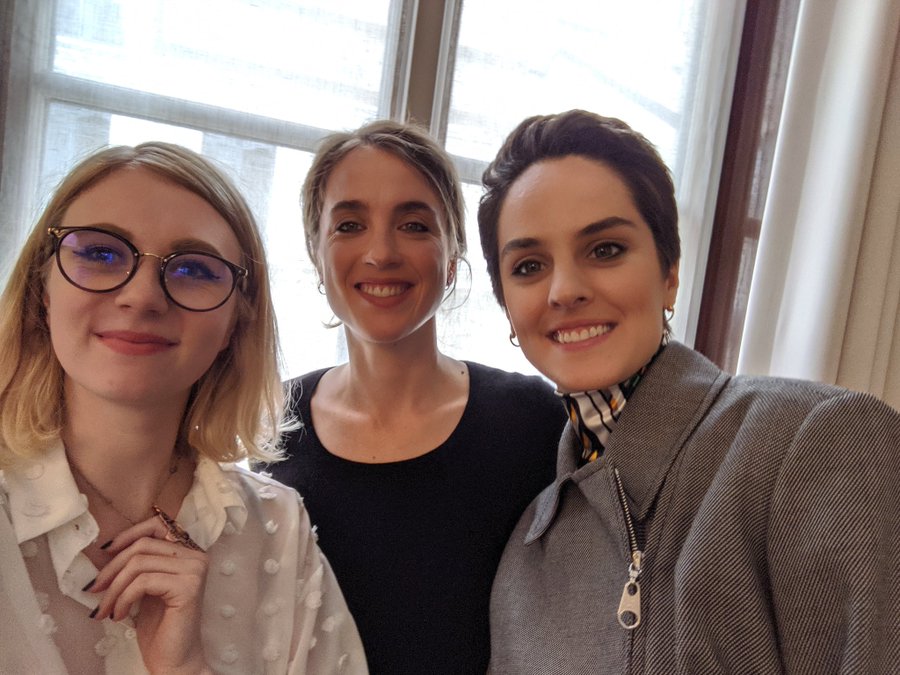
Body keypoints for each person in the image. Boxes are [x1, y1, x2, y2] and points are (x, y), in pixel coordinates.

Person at [477, 109, 900, 674]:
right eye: (529, 265)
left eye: (605, 249)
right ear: (508, 308)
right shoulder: (526, 552)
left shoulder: (816, 441)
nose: (565, 290)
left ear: (670, 272)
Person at [0, 142, 367, 674]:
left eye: (194, 268)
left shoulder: (277, 527)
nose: (143, 297)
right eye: (101, 253)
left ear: (236, 321)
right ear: (43, 290)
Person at [265, 120, 567, 674]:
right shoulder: (272, 424)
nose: (381, 252)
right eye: (350, 224)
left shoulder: (532, 421)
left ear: (452, 254)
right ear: (316, 250)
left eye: (413, 225)